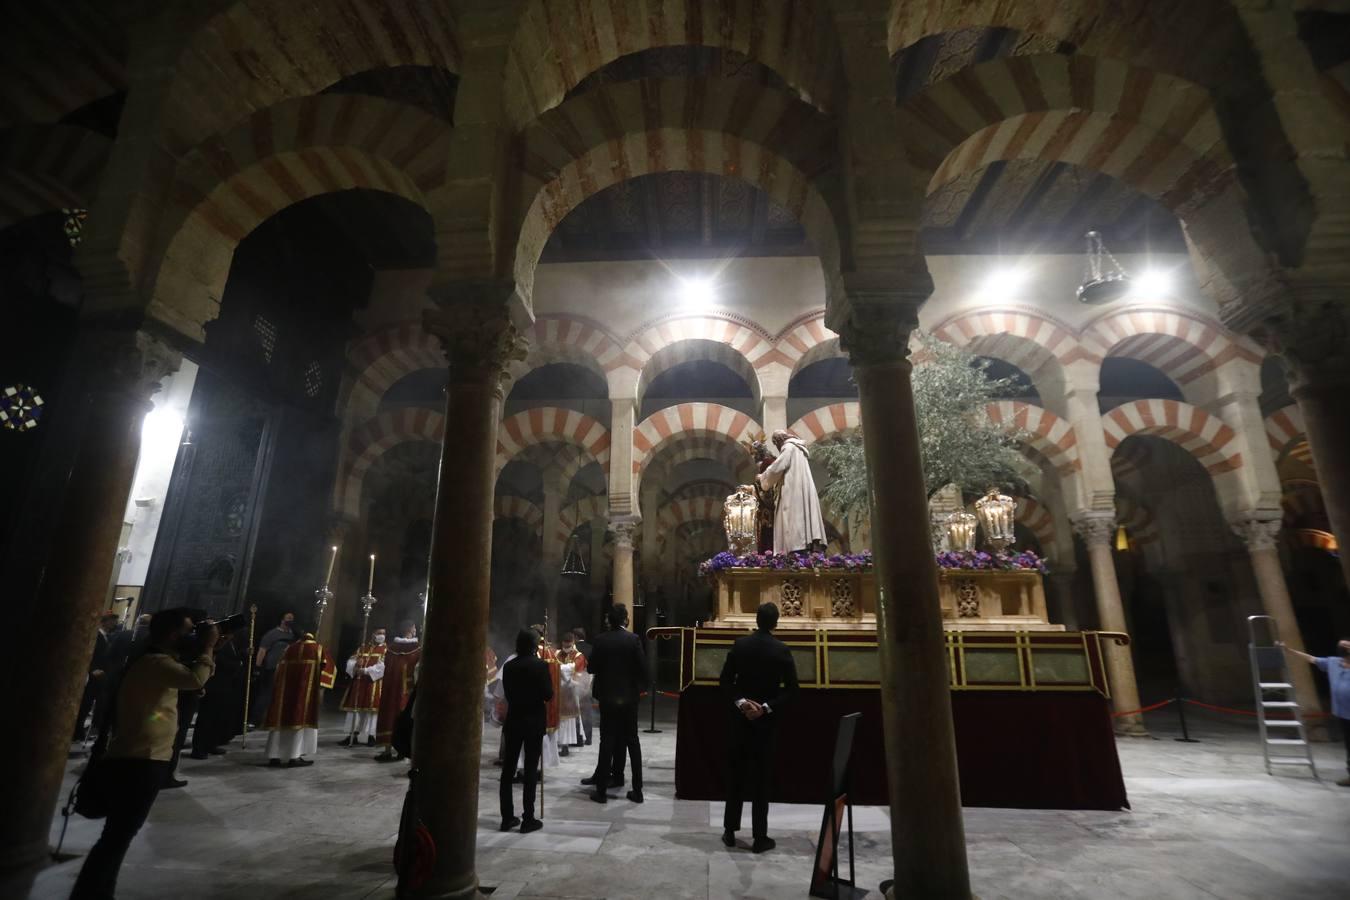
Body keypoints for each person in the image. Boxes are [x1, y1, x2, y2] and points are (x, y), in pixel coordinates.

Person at [69, 609, 216, 900]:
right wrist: (208, 647)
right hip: (140, 758)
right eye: (189, 631)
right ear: (173, 634)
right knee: (117, 836)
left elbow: (187, 681)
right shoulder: (154, 662)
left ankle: (99, 892)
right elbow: (195, 680)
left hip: (142, 756)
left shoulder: (156, 661)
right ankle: (89, 893)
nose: (192, 636)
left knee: (118, 836)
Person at [718, 601, 799, 853]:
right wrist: (764, 707)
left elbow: (725, 680)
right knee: (761, 780)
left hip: (740, 721)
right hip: (765, 723)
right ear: (775, 622)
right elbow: (793, 690)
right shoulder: (781, 650)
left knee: (737, 776)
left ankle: (730, 831)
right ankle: (759, 836)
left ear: (756, 619)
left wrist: (742, 703)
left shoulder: (740, 645)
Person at [583, 603, 647, 804]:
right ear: (626, 619)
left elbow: (591, 668)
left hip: (608, 698)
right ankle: (637, 790)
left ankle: (601, 791)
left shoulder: (601, 640)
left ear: (609, 620)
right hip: (629, 699)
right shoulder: (634, 639)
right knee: (632, 741)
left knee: (607, 740)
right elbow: (643, 669)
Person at [499, 628, 553, 833]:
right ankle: (528, 818)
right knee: (530, 770)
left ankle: (506, 818)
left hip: (514, 721)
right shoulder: (540, 665)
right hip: (533, 722)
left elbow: (508, 693)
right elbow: (548, 695)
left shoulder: (510, 666)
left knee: (508, 771)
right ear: (533, 646)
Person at [263, 631, 336, 767]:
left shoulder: (289, 649)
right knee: (299, 719)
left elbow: (278, 670)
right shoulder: (318, 649)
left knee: (280, 721)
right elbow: (329, 670)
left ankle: (274, 756)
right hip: (304, 693)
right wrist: (321, 689)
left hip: (284, 692)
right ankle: (294, 756)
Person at [1283, 638, 1350, 787]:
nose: (1344, 644)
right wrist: (1290, 651)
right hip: (1344, 713)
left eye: (1347, 644)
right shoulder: (1333, 662)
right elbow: (1311, 659)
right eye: (1342, 643)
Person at [756, 429, 827, 555]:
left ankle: (796, 547)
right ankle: (807, 545)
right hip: (801, 488)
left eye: (776, 444)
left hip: (793, 489)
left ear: (778, 441)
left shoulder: (788, 447)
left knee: (793, 519)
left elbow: (778, 466)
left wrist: (762, 478)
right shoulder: (800, 449)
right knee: (803, 517)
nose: (777, 447)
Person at [189, 619, 248, 759]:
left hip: (224, 686)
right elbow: (218, 661)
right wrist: (237, 664)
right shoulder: (213, 645)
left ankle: (210, 744)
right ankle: (199, 748)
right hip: (214, 685)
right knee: (206, 718)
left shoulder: (228, 643)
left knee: (216, 718)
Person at [375, 620, 421, 762]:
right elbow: (418, 671)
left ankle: (387, 750)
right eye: (414, 627)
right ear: (410, 629)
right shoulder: (418, 648)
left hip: (390, 689)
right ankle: (402, 750)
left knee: (388, 716)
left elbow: (383, 667)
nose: (415, 630)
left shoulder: (391, 648)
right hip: (406, 690)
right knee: (403, 718)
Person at [73, 613, 119, 742]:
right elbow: (89, 653)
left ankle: (84, 730)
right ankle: (77, 731)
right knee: (85, 704)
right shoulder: (97, 636)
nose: (115, 624)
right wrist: (92, 669)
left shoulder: (107, 637)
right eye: (113, 621)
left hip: (101, 676)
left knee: (92, 705)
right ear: (105, 621)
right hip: (93, 675)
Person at [339, 627, 386, 747]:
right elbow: (350, 661)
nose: (381, 635)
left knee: (371, 712)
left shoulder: (385, 650)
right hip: (359, 683)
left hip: (373, 683)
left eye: (384, 633)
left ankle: (371, 736)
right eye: (379, 633)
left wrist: (365, 670)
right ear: (373, 634)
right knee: (355, 710)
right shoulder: (363, 648)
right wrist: (355, 665)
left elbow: (383, 667)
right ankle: (352, 735)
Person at [249, 611, 297, 725]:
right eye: (288, 618)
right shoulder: (272, 634)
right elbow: (262, 651)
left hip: (287, 670)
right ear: (282, 620)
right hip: (271, 668)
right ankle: (254, 720)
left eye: (292, 619)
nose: (290, 621)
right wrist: (257, 667)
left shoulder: (293, 635)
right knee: (266, 694)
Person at [556, 631, 589, 752]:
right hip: (558, 691)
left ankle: (567, 743)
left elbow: (573, 668)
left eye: (568, 646)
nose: (566, 649)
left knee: (570, 719)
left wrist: (557, 666)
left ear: (573, 643)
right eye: (564, 646)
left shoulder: (578, 655)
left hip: (572, 691)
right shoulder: (557, 653)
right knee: (560, 719)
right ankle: (560, 742)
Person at [572, 626, 594, 745]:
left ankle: (578, 738)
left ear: (575, 637)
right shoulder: (591, 648)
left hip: (576, 682)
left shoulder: (573, 650)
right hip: (588, 681)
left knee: (576, 711)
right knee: (587, 711)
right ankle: (589, 737)